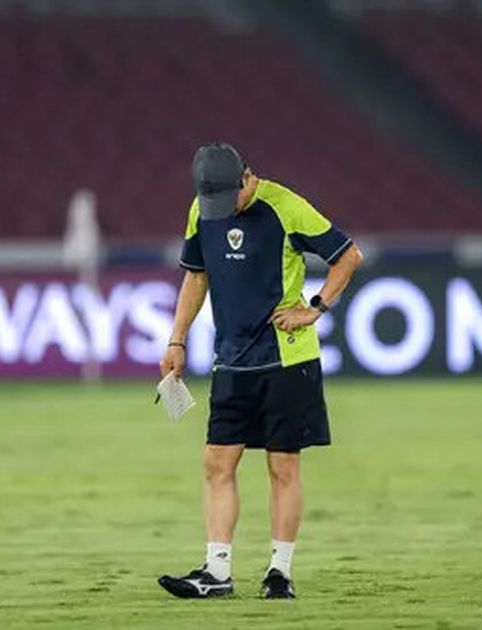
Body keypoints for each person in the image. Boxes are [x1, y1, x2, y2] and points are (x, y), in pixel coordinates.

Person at [157, 143, 364, 599]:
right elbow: (196, 276)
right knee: (216, 463)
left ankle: (279, 573)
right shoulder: (203, 209)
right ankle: (216, 572)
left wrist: (315, 308)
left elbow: (348, 255)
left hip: (286, 361)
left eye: (228, 197)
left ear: (247, 178)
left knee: (283, 465)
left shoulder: (286, 206)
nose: (222, 209)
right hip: (231, 360)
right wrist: (177, 339)